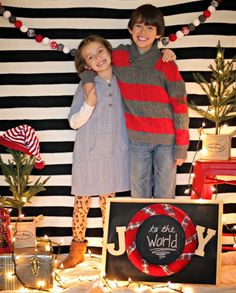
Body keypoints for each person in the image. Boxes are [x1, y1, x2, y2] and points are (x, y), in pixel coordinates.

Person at [81, 4, 189, 199]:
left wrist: (181, 146)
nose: (143, 32)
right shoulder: (119, 56)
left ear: (158, 34)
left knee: (165, 194)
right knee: (139, 194)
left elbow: (180, 106)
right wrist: (88, 84)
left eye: (150, 28)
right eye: (138, 26)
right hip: (137, 141)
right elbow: (91, 63)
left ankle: (163, 229)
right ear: (130, 29)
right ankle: (142, 230)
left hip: (166, 142)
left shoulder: (165, 62)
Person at [58, 35, 130, 269]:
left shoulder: (124, 79)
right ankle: (77, 250)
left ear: (109, 51)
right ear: (86, 65)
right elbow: (73, 122)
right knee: (82, 202)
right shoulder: (85, 85)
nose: (98, 58)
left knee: (110, 204)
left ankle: (112, 252)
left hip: (113, 152)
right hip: (89, 152)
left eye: (100, 51)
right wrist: (89, 102)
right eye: (91, 56)